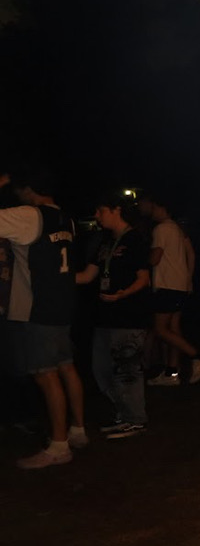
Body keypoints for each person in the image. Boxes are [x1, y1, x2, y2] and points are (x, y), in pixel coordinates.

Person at [0, 169, 88, 467]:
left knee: (44, 373)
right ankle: (77, 430)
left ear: (28, 189)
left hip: (38, 308)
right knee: (66, 367)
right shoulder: (66, 218)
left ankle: (59, 447)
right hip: (63, 305)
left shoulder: (28, 215)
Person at [75, 191, 153, 440]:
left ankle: (135, 419)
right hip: (104, 317)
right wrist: (55, 276)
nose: (97, 217)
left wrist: (122, 294)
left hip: (128, 316)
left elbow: (144, 279)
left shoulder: (135, 240)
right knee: (102, 370)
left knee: (127, 370)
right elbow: (88, 276)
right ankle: (123, 413)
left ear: (116, 210)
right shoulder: (105, 242)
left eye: (101, 211)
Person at [139, 191, 200, 386]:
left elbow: (155, 258)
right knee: (173, 329)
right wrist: (188, 280)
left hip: (166, 285)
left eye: (151, 206)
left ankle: (199, 356)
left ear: (160, 207)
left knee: (160, 329)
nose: (149, 209)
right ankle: (171, 373)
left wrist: (139, 261)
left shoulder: (162, 229)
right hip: (179, 285)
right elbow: (192, 254)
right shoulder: (178, 229)